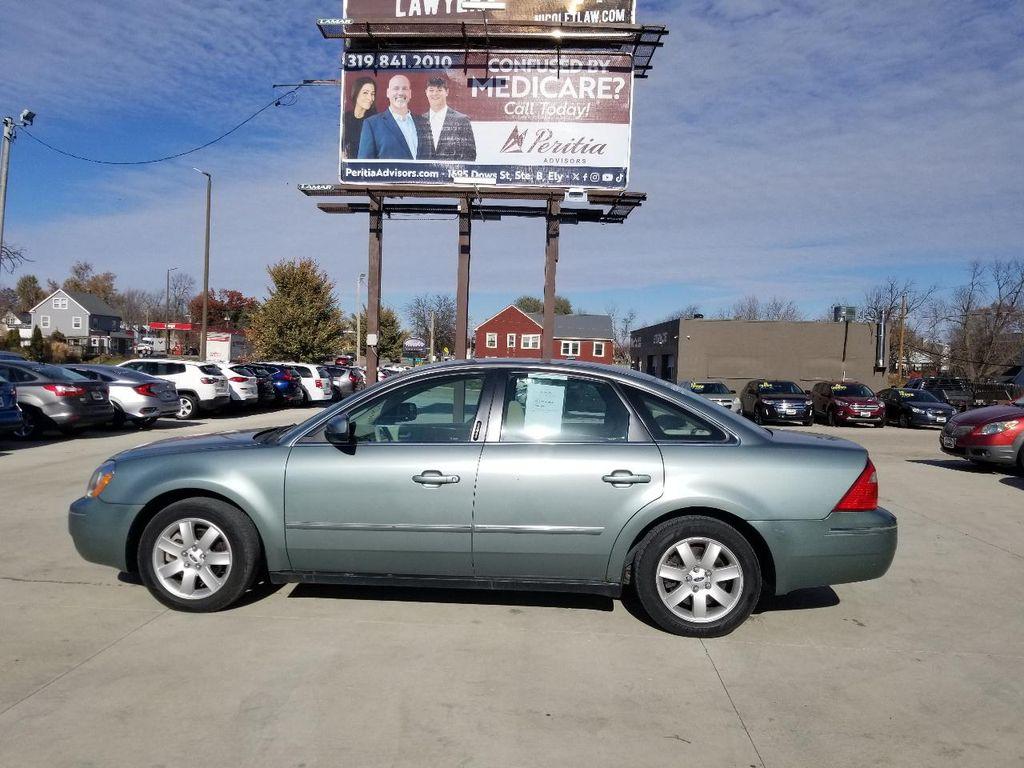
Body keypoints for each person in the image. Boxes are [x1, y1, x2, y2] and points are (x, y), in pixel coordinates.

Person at [357, 75, 425, 160]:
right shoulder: (372, 124)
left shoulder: (424, 123)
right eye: (396, 88)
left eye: (404, 88)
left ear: (410, 93)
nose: (400, 93)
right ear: (388, 93)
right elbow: (363, 166)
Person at [418, 76, 476, 161]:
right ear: (426, 92)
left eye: (439, 90)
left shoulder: (462, 120)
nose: (435, 94)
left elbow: (470, 155)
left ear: (447, 92)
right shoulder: (419, 121)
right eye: (431, 90)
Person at [342, 77, 377, 159]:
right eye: (365, 93)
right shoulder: (345, 117)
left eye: (372, 94)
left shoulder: (374, 121)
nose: (370, 98)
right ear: (356, 93)